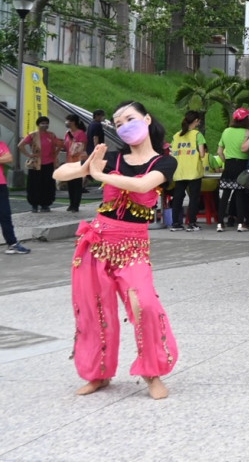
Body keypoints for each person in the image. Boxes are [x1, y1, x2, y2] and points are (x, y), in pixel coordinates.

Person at [53, 101, 179, 400]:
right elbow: (60, 174)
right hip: (96, 243)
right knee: (93, 310)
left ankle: (152, 372)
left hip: (133, 246)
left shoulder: (164, 162)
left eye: (130, 119)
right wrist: (86, 167)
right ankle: (97, 373)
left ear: (147, 119)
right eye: (118, 123)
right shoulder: (111, 157)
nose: (124, 126)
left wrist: (100, 175)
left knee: (144, 305)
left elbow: (143, 185)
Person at [217, 108, 249, 232]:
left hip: (228, 164)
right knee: (239, 195)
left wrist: (225, 161)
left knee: (225, 195)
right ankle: (240, 223)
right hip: (241, 165)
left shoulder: (226, 131)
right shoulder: (248, 132)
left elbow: (219, 151)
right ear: (246, 120)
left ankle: (219, 223)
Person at [169, 111, 208, 231]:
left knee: (178, 197)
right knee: (194, 198)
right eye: (199, 120)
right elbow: (202, 153)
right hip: (193, 171)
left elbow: (171, 152)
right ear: (196, 121)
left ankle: (175, 223)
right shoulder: (197, 135)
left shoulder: (176, 135)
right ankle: (192, 223)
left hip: (179, 170)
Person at [20, 115, 63, 212]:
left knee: (48, 185)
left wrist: (55, 154)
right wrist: (29, 154)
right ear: (38, 124)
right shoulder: (32, 135)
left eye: (46, 123)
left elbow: (60, 144)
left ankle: (45, 204)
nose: (45, 125)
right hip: (36, 164)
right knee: (34, 185)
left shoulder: (51, 135)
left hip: (49, 163)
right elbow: (21, 145)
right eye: (42, 123)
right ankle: (34, 204)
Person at [1, 139, 30, 254]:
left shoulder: (1, 145)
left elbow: (8, 158)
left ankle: (12, 243)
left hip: (1, 185)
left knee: (5, 215)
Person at [63, 114, 88, 212]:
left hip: (77, 161)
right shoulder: (67, 133)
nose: (67, 122)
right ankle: (71, 203)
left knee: (77, 184)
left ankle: (75, 204)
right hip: (69, 161)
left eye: (68, 120)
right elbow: (66, 145)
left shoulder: (80, 133)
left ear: (73, 122)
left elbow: (83, 146)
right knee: (70, 184)